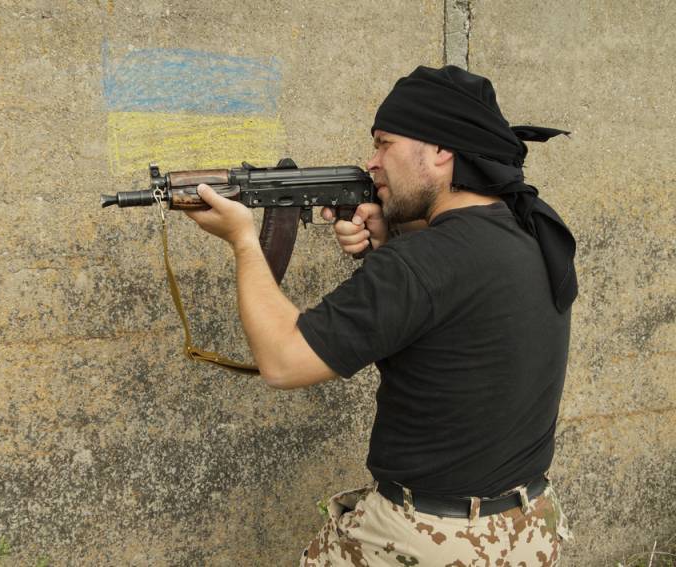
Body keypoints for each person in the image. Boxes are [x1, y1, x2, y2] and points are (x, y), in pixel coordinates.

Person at [185, 65, 576, 566]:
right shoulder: (530, 234)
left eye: (385, 143)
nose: (371, 162)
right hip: (527, 530)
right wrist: (392, 243)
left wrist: (241, 240)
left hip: (428, 542)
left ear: (441, 150)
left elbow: (283, 360)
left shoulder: (420, 265)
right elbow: (457, 317)